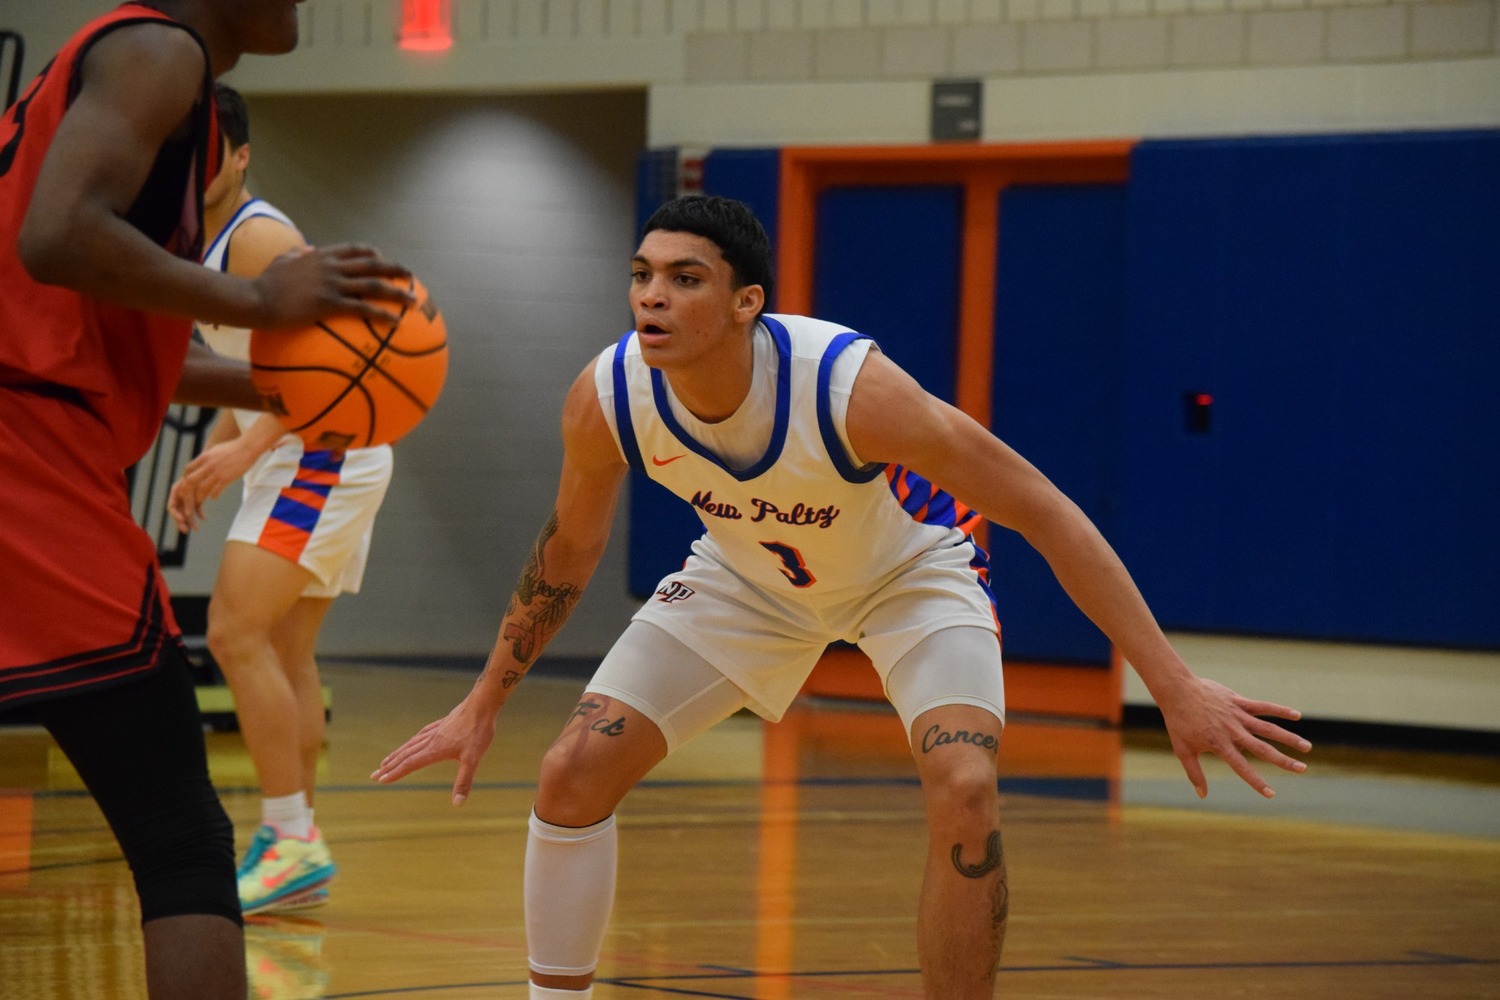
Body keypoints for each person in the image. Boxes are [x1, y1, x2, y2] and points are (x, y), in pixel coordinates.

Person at [372, 195, 1311, 1000]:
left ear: (747, 304)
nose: (653, 296)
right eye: (643, 274)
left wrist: (1173, 684)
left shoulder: (849, 389)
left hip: (912, 576)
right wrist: (483, 700)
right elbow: (567, 550)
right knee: (571, 771)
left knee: (967, 788)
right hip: (749, 581)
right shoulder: (608, 395)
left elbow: (1046, 512)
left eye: (685, 278)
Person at [0, 4, 410, 998]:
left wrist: (311, 385)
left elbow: (114, 330)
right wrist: (267, 307)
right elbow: (54, 241)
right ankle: (294, 829)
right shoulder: (159, 50)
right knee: (182, 840)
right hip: (27, 462)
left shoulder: (115, 74)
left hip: (39, 436)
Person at [167, 83, 395, 916]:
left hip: (325, 444)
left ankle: (291, 840)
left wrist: (245, 451)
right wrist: (231, 447)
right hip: (307, 447)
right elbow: (255, 366)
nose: (188, 167)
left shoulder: (260, 237)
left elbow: (329, 368)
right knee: (285, 654)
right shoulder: (198, 235)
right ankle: (294, 841)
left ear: (240, 155)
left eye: (203, 151)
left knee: (233, 632)